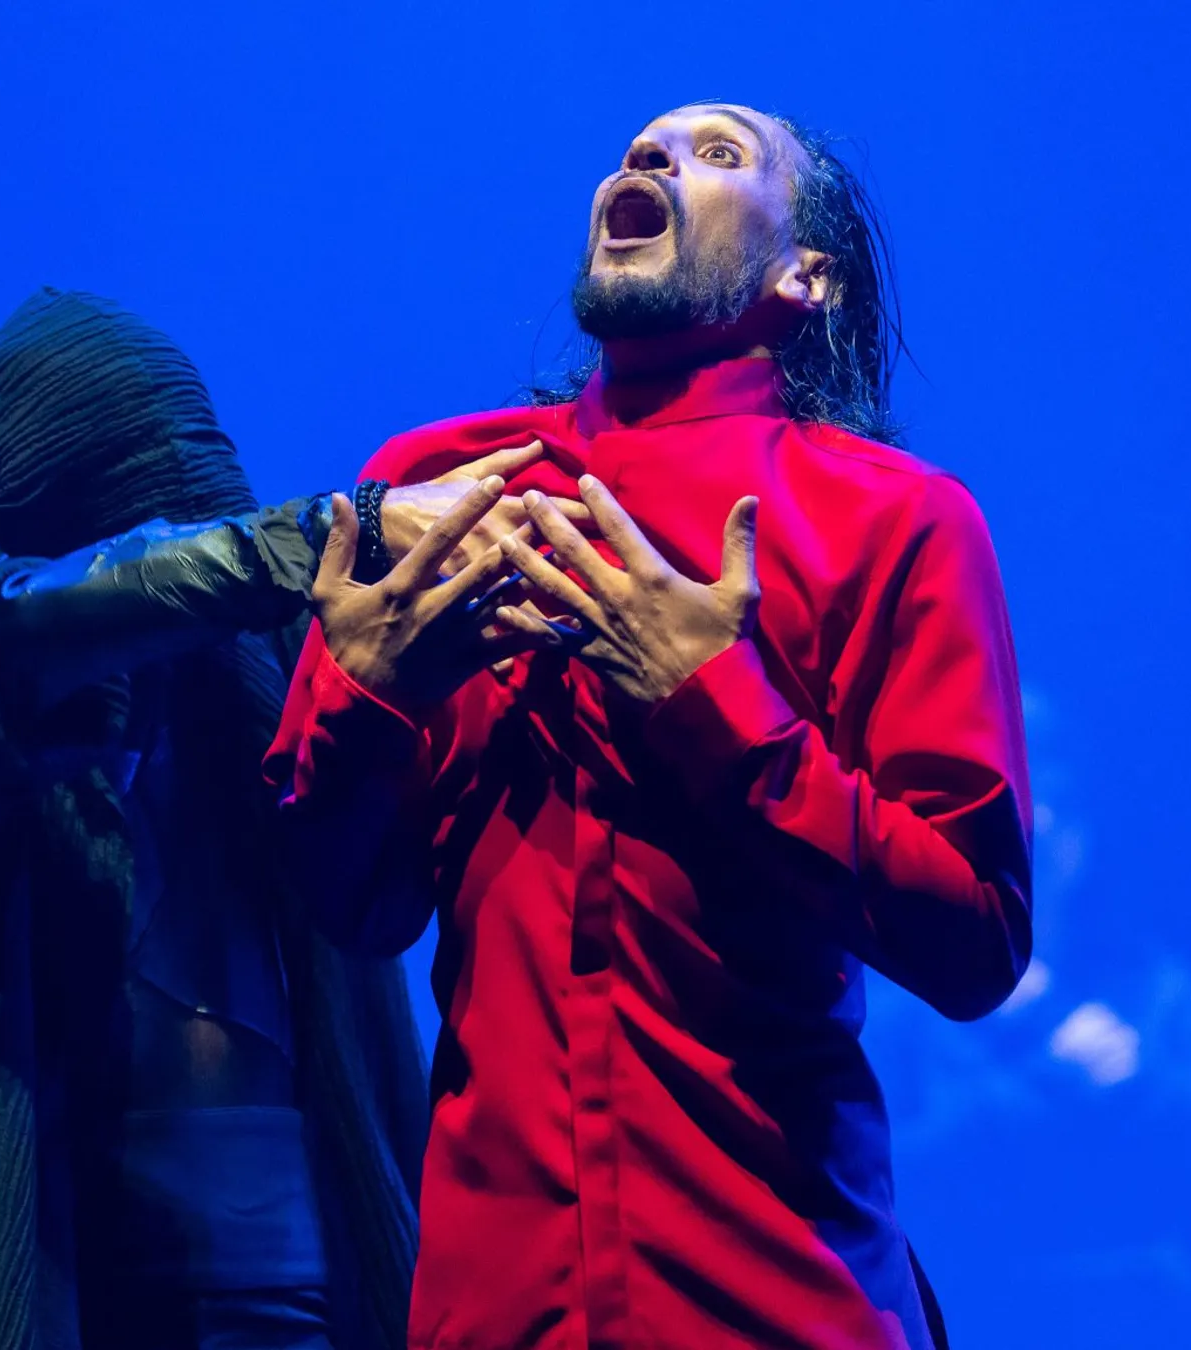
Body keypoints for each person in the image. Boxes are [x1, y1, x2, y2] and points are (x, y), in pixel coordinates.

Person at [268, 104, 1033, 1350]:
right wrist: (367, 696)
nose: (648, 159)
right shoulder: (441, 490)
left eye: (719, 153)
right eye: (638, 147)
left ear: (806, 274)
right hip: (490, 1314)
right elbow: (351, 909)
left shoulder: (897, 521)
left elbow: (977, 936)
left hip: (783, 1305)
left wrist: (716, 711)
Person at [0, 288, 565, 1350]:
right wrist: (320, 536)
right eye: (154, 516)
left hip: (322, 1302)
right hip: (66, 1304)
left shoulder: (255, 695)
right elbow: (11, 633)